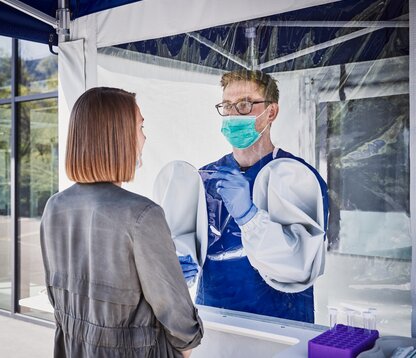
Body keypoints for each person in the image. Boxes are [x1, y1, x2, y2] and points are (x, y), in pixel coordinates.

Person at [40, 87, 203, 358]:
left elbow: (59, 294)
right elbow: (176, 315)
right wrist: (186, 347)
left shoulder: (55, 207)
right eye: (140, 126)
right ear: (117, 136)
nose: (144, 137)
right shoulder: (142, 214)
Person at [156, 70, 329, 323]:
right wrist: (175, 264)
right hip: (214, 323)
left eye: (245, 105)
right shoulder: (206, 179)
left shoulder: (296, 177)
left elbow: (300, 266)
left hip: (281, 325)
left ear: (271, 112)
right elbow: (183, 247)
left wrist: (249, 217)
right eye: (227, 106)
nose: (234, 114)